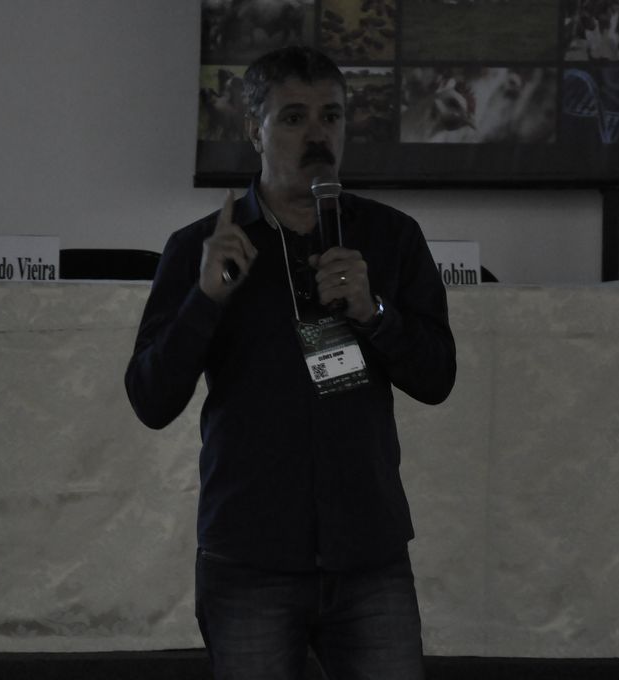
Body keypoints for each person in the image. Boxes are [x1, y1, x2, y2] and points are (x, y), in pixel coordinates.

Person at [125, 45, 455, 680]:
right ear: (255, 130)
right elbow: (150, 399)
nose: (318, 135)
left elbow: (438, 378)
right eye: (295, 118)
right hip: (250, 555)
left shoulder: (391, 237)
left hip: (368, 552)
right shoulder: (200, 248)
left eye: (331, 116)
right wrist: (206, 299)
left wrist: (374, 311)